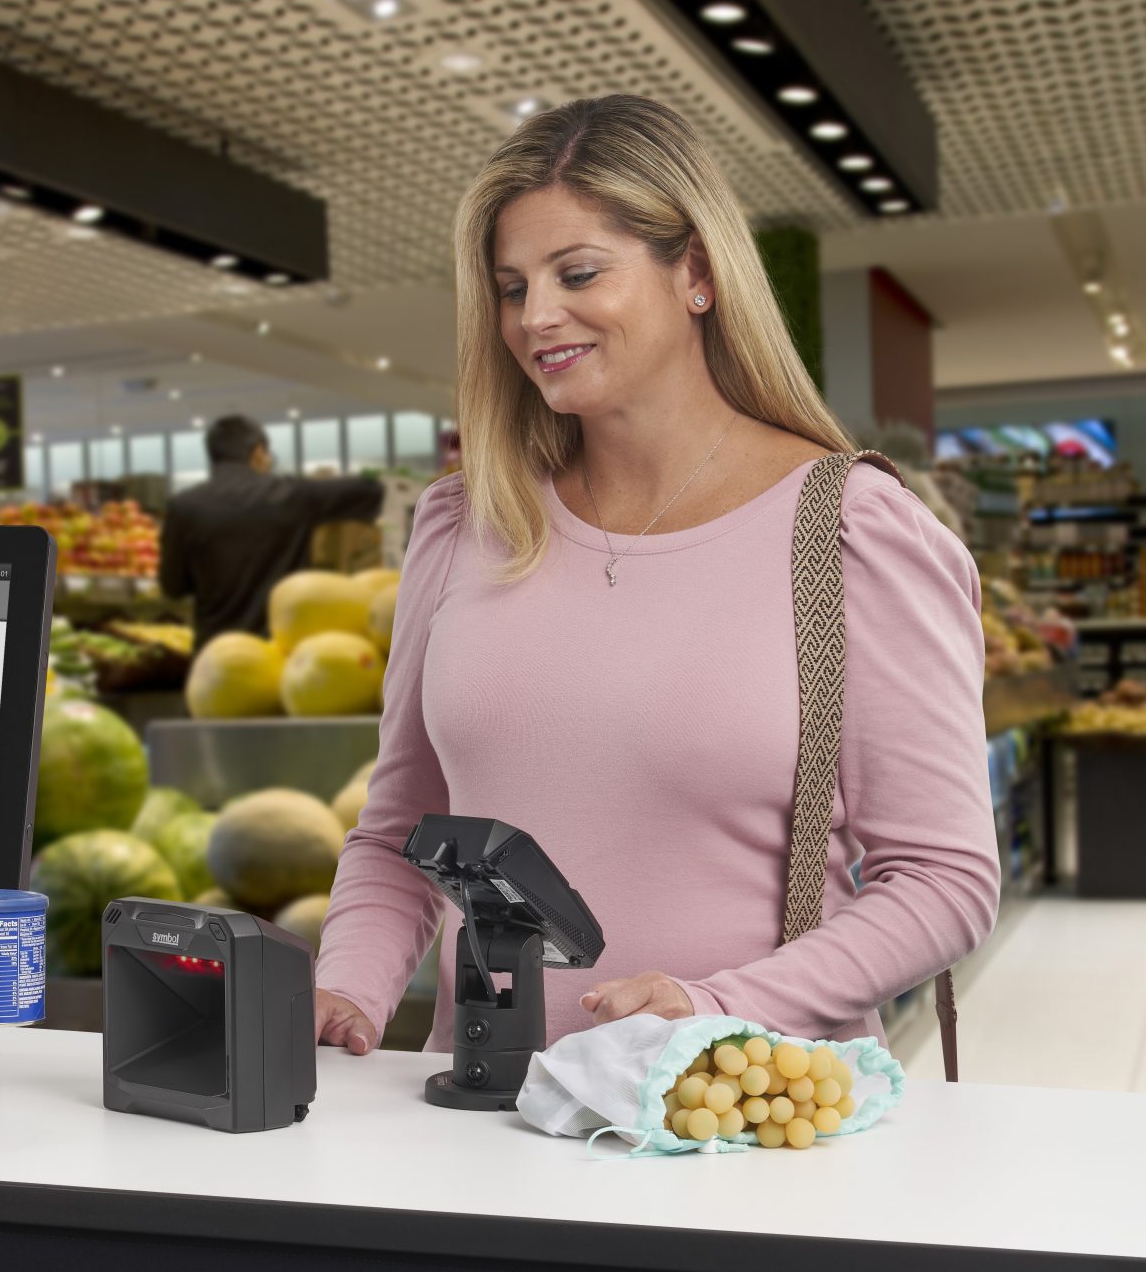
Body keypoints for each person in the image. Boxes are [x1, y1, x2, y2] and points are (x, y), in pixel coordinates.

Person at [310, 94, 997, 1060]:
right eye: (510, 288)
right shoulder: (467, 523)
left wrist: (716, 1003)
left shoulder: (851, 531)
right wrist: (345, 991)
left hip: (743, 1112)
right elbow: (399, 838)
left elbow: (943, 878)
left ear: (698, 273)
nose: (536, 317)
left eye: (578, 272)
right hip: (480, 1121)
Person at [157, 414, 386, 645]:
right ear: (258, 452)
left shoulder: (183, 506)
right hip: (279, 649)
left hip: (214, 651)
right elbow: (371, 490)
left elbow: (173, 587)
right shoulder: (291, 495)